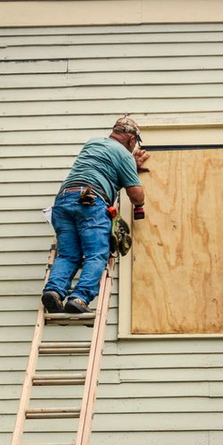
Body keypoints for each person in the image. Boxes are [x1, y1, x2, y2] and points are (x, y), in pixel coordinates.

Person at [42, 117, 149, 315]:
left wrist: (129, 166)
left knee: (68, 254)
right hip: (90, 202)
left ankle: (54, 291)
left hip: (64, 201)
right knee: (96, 253)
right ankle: (80, 297)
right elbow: (135, 195)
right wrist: (139, 198)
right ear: (132, 140)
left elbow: (103, 166)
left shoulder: (93, 143)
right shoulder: (124, 155)